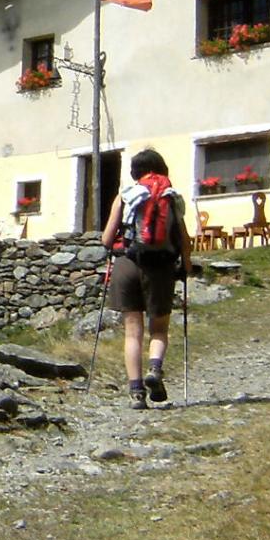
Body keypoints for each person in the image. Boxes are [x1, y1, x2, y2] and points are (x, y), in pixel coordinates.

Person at [101, 148, 193, 410]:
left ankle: (136, 392)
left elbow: (107, 240)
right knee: (159, 329)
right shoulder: (171, 198)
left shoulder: (125, 196)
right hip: (161, 268)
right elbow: (184, 241)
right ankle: (155, 369)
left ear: (134, 172)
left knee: (132, 332)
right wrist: (186, 267)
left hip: (128, 265)